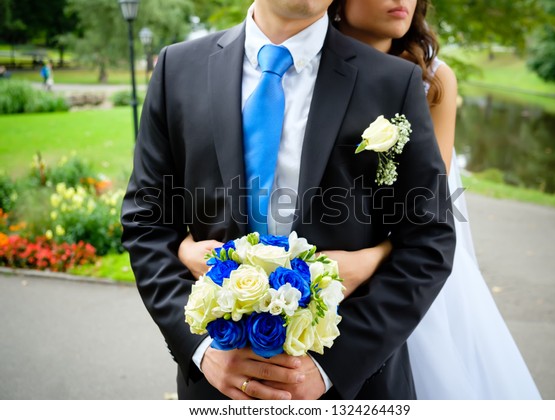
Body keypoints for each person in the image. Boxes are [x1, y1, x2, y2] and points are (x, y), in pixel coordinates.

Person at [180, 0, 541, 400]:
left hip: (373, 315)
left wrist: (373, 259)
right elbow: (156, 214)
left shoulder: (407, 81)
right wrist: (185, 251)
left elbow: (429, 218)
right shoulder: (188, 67)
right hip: (225, 357)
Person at [121, 0, 455, 400]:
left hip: (355, 388)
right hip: (215, 385)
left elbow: (429, 239)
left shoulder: (392, 82)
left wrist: (330, 367)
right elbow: (147, 222)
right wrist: (203, 349)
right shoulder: (177, 69)